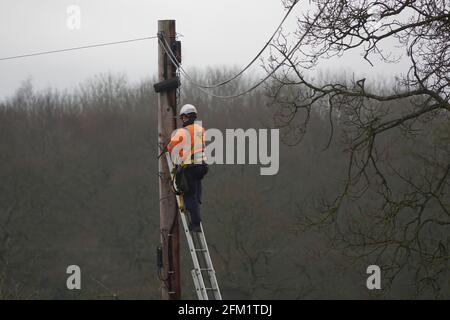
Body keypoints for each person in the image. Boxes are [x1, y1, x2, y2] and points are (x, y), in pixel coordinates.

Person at [166, 104, 208, 232]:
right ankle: (198, 200)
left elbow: (171, 147)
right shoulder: (201, 130)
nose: (182, 120)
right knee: (195, 191)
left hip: (190, 167)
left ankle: (195, 224)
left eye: (183, 118)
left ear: (187, 116)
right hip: (202, 166)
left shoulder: (183, 132)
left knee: (189, 195)